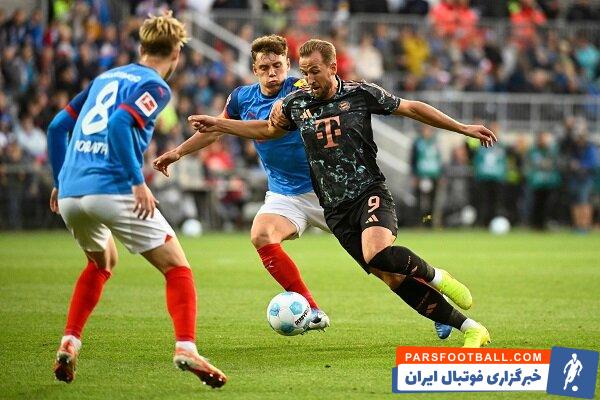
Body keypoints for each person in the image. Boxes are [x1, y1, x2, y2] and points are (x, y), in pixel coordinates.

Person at [188, 39, 496, 347]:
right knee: (390, 277)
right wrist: (219, 124)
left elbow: (411, 108)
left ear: (333, 67)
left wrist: (462, 128)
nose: (309, 79)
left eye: (315, 71)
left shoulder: (360, 93)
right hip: (334, 208)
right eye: (305, 73)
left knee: (377, 253)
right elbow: (267, 131)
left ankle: (438, 277)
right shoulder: (296, 104)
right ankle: (470, 328)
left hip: (368, 191)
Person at [46, 12, 227, 387]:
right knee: (177, 267)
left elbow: (57, 127)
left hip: (73, 194)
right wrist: (136, 182)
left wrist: (61, 180)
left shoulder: (105, 78)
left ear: (142, 46)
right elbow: (118, 124)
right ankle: (186, 347)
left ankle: (69, 342)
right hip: (112, 187)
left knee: (102, 262)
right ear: (176, 53)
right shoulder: (156, 86)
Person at [153, 35, 331, 332]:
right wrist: (178, 152)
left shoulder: (299, 89)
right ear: (254, 69)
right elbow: (213, 131)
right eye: (265, 68)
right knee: (261, 234)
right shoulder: (241, 98)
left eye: (278, 66)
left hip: (325, 190)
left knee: (373, 256)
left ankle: (419, 292)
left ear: (288, 64)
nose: (272, 73)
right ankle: (312, 309)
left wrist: (221, 123)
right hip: (285, 193)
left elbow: (268, 129)